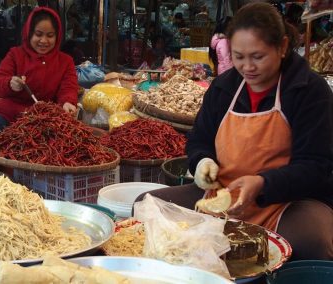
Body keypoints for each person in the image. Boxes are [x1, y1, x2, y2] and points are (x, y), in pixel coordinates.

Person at [135, 2, 333, 260]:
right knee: (145, 205)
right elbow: (199, 139)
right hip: (222, 193)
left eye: (258, 57)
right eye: (238, 57)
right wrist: (202, 161)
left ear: (282, 47)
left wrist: (263, 183)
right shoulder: (224, 88)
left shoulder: (309, 90)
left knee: (313, 241)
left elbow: (316, 166)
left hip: (287, 202)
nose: (247, 67)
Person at [0, 7, 78, 132]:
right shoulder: (15, 55)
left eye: (50, 35)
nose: (43, 41)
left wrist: (67, 102)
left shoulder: (66, 61)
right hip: (10, 114)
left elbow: (69, 87)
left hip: (46, 118)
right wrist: (10, 83)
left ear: (57, 36)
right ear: (29, 33)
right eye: (38, 34)